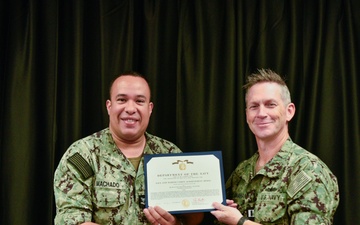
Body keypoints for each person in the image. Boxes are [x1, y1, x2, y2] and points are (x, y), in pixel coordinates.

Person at [53, 71, 203, 225]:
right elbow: (72, 220)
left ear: (149, 108)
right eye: (122, 100)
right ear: (109, 106)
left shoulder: (170, 154)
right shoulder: (83, 155)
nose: (130, 108)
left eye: (139, 101)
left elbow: (193, 218)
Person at [211, 69, 339, 224]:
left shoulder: (308, 170)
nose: (261, 113)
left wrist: (240, 222)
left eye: (270, 104)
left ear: (289, 111)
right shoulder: (241, 173)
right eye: (254, 106)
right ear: (247, 115)